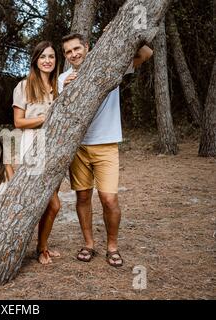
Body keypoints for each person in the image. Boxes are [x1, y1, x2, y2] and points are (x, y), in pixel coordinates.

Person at [58, 33, 153, 267]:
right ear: (65, 56)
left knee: (109, 199)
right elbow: (60, 113)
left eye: (77, 48)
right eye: (69, 52)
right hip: (78, 147)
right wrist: (68, 91)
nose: (74, 54)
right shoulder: (63, 79)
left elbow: (147, 53)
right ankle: (89, 244)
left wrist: (127, 39)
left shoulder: (110, 67)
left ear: (87, 47)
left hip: (106, 144)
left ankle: (112, 246)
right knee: (82, 197)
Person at [12, 41, 62, 265]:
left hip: (58, 149)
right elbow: (18, 122)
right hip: (33, 148)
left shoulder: (60, 85)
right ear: (35, 60)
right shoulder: (24, 86)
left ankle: (42, 246)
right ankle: (33, 248)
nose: (47, 61)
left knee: (47, 203)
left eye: (51, 56)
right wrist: (43, 119)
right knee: (52, 204)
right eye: (43, 57)